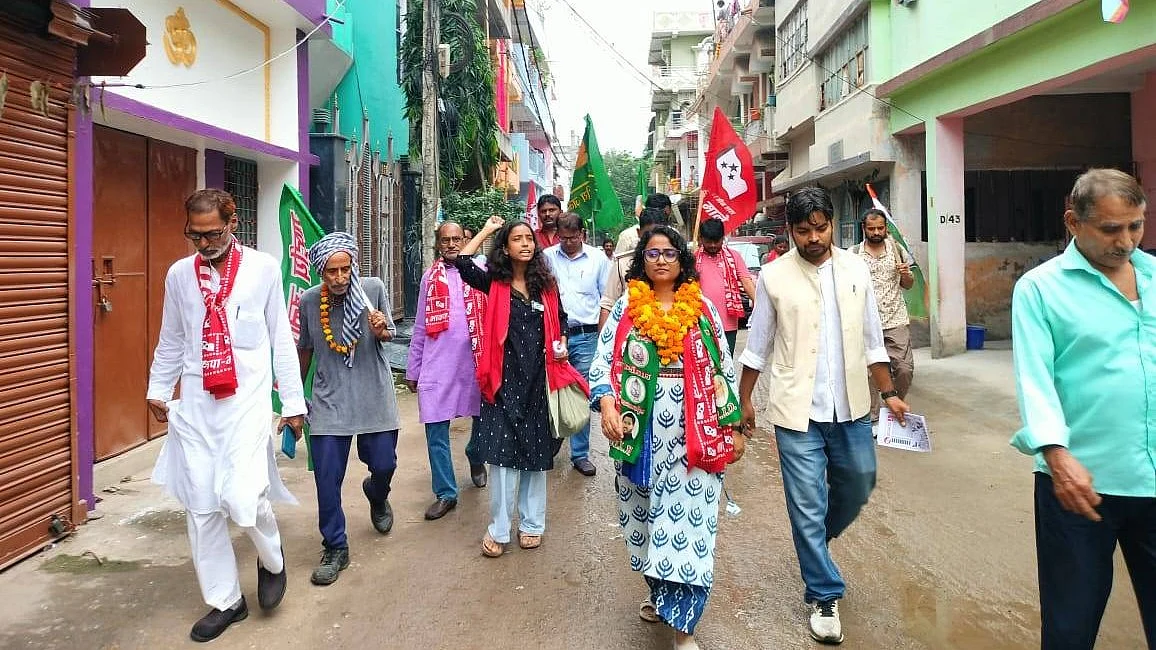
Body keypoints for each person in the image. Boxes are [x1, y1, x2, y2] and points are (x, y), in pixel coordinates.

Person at [736, 186, 911, 645]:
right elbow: (757, 348)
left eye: (821, 227)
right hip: (797, 412)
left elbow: (874, 340)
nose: (813, 237)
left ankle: (813, 542)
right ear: (790, 231)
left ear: (833, 224)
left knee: (859, 482)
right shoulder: (774, 276)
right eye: (803, 230)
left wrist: (888, 392)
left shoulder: (856, 269)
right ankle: (824, 590)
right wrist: (744, 401)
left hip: (853, 406)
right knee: (806, 504)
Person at [146, 189, 305, 642]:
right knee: (200, 506)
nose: (203, 244)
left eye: (212, 233)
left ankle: (271, 560)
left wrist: (292, 403)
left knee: (246, 498)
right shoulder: (179, 276)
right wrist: (159, 389)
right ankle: (225, 600)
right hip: (196, 406)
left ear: (233, 224)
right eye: (195, 236)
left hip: (247, 403)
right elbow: (172, 337)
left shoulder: (263, 268)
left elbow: (280, 338)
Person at [1010, 169, 1155, 650]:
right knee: (1071, 628)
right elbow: (1036, 379)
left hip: (1152, 483)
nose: (1127, 241)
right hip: (1076, 485)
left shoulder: (1155, 278)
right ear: (1073, 222)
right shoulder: (1040, 289)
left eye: (1135, 226)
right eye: (1111, 230)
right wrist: (1056, 455)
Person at [591, 224, 744, 650]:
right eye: (653, 253)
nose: (661, 259)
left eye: (670, 253)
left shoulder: (703, 310)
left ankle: (684, 630)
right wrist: (606, 405)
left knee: (689, 528)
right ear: (642, 261)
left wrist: (731, 428)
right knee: (643, 522)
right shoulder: (626, 308)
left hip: (694, 435)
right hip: (639, 436)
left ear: (682, 260)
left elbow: (723, 372)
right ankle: (659, 594)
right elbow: (603, 364)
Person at [455, 216, 588, 557]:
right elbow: (462, 262)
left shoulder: (546, 285)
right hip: (501, 382)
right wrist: (485, 230)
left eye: (529, 238)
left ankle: (532, 525)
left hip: (539, 382)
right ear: (505, 247)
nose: (526, 244)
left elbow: (560, 322)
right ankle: (498, 530)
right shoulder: (494, 283)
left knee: (536, 455)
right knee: (501, 458)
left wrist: (560, 341)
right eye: (517, 239)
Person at [296, 232, 401, 586]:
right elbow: (306, 349)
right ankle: (335, 546)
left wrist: (382, 328)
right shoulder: (310, 301)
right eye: (331, 272)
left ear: (353, 266)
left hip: (374, 391)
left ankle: (377, 492)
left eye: (345, 269)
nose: (340, 278)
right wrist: (295, 396)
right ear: (320, 272)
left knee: (384, 462)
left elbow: (388, 336)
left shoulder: (372, 289)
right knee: (326, 479)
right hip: (330, 399)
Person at [406, 221, 488, 522]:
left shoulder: (479, 270)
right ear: (438, 245)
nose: (452, 244)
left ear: (465, 240)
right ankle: (445, 493)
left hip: (475, 361)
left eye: (457, 239)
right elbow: (419, 326)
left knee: (484, 419)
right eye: (446, 240)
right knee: (435, 429)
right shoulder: (430, 278)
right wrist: (413, 368)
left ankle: (476, 455)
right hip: (437, 365)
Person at [542, 213, 610, 477]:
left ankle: (580, 454)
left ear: (582, 233)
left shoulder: (598, 259)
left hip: (586, 336)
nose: (568, 243)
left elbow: (605, 298)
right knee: (551, 390)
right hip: (553, 335)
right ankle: (550, 442)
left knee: (582, 393)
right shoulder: (547, 257)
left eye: (573, 238)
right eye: (563, 238)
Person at [850, 209, 915, 426]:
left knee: (904, 369)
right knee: (869, 373)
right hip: (865, 322)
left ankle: (893, 402)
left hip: (895, 319)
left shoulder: (897, 250)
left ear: (886, 227)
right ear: (864, 229)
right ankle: (874, 419)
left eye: (880, 228)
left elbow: (908, 285)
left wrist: (906, 274)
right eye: (871, 228)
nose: (876, 232)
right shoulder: (853, 255)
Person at [695, 217, 757, 355]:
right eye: (708, 241)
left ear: (723, 238)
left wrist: (759, 305)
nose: (712, 245)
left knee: (726, 362)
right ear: (701, 239)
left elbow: (746, 282)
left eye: (716, 241)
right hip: (702, 322)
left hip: (728, 323)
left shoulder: (734, 256)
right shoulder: (693, 259)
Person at [600, 207, 667, 329]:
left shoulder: (676, 263)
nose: (654, 239)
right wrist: (603, 346)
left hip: (670, 335)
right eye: (648, 234)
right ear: (638, 233)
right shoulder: (622, 263)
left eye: (659, 234)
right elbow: (607, 307)